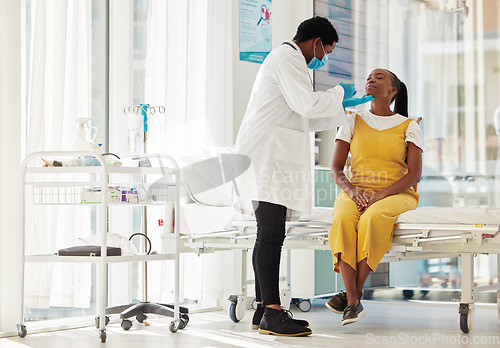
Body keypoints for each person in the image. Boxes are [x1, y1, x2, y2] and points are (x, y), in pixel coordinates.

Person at [234, 16, 373, 337]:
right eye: (326, 52)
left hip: (267, 154)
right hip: (266, 156)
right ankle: (271, 311)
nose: (323, 60)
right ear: (315, 43)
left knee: (267, 233)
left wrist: (341, 107)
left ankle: (261, 309)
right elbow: (306, 106)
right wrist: (339, 92)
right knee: (270, 234)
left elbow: (301, 118)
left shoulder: (288, 62)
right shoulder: (287, 58)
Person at [326, 68, 423, 325]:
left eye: (379, 77)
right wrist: (352, 191)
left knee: (373, 217)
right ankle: (353, 300)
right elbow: (336, 169)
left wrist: (380, 195)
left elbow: (414, 174)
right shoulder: (351, 119)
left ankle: (351, 297)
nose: (371, 79)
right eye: (369, 76)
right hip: (355, 190)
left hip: (397, 191)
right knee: (345, 219)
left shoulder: (409, 125)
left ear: (392, 91)